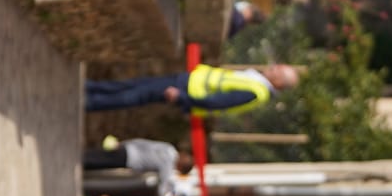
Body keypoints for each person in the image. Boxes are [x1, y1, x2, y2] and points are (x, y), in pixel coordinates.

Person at [84, 62, 300, 115]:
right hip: (185, 81)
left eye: (277, 71)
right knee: (134, 85)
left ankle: (90, 102)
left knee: (133, 95)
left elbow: (217, 102)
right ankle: (90, 89)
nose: (272, 68)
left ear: (279, 83)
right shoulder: (257, 82)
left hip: (183, 90)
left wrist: (182, 98)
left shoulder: (256, 92)